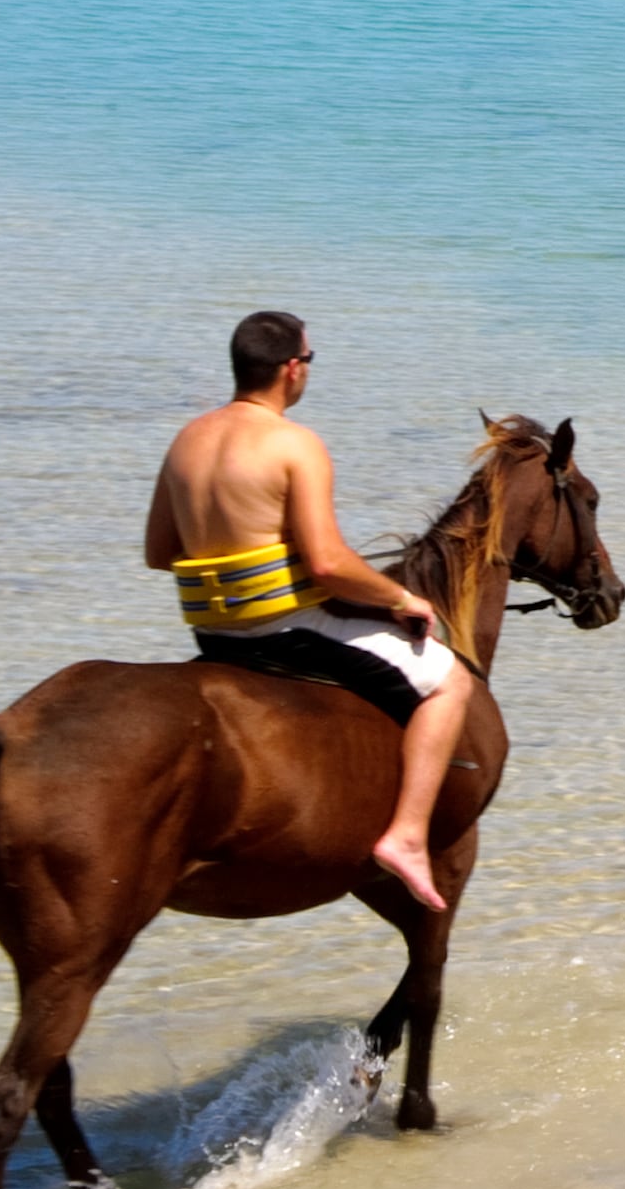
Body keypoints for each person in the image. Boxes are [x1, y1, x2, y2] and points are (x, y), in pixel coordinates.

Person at [148, 310, 472, 913]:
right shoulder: (296, 444)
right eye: (310, 360)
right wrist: (401, 598)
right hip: (284, 631)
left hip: (215, 633)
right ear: (292, 369)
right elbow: (327, 564)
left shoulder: (187, 440)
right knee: (449, 682)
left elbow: (159, 552)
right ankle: (406, 836)